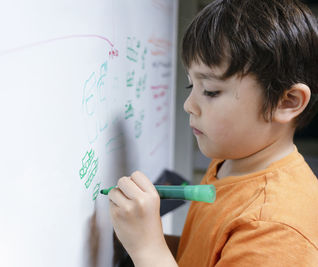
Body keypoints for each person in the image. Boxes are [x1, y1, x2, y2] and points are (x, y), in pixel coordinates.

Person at [107, 0, 318, 266]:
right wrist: (138, 238)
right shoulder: (231, 161)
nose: (188, 105)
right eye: (190, 85)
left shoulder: (276, 229)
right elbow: (205, 253)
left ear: (286, 102)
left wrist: (148, 248)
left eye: (210, 91)